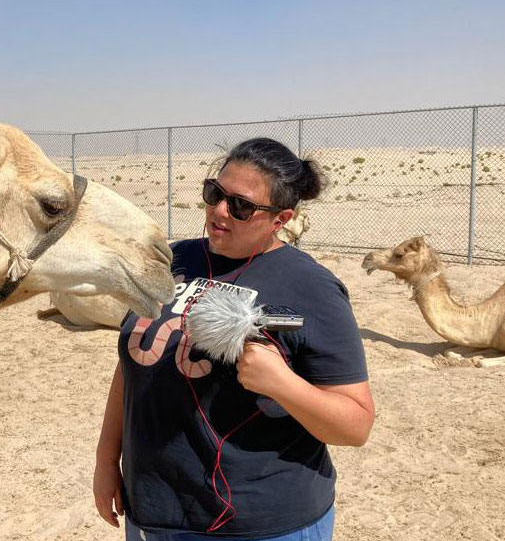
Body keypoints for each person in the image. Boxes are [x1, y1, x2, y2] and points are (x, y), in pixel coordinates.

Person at [93, 138, 374, 541]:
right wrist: (107, 460)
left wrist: (282, 383)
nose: (219, 211)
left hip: (258, 524)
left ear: (281, 219)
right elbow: (133, 367)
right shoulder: (175, 261)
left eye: (240, 205)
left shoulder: (312, 287)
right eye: (214, 194)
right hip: (155, 513)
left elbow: (356, 426)